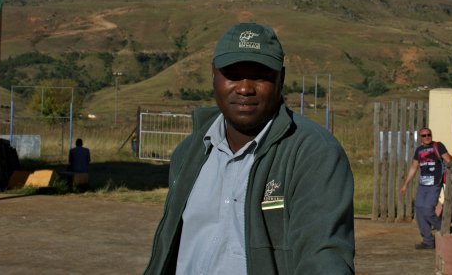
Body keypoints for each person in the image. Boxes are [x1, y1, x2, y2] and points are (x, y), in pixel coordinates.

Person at [144, 23, 355, 275]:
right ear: (214, 74)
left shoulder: (313, 153)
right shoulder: (189, 152)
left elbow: (323, 256)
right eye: (233, 74)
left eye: (259, 75)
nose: (245, 88)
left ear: (281, 78)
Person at [400, 127, 452, 250]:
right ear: (420, 138)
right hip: (423, 185)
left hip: (435, 184)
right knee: (419, 210)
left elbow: (449, 160)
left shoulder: (438, 146)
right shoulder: (419, 150)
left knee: (428, 209)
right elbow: (414, 167)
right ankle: (428, 241)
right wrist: (405, 184)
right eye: (423, 135)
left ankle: (443, 230)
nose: (427, 137)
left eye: (429, 134)